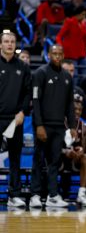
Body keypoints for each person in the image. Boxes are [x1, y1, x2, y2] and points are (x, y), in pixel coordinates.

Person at [30, 45, 76, 208]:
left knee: (55, 162)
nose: (57, 56)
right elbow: (35, 101)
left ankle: (53, 195)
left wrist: (72, 126)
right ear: (48, 55)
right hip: (43, 126)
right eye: (54, 54)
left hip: (59, 127)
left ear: (63, 55)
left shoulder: (67, 77)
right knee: (38, 160)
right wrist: (39, 125)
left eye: (59, 54)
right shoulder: (40, 73)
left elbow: (70, 104)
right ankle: (35, 194)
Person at [0, 32, 31, 208]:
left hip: (15, 119)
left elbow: (28, 93)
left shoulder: (23, 67)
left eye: (12, 42)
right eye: (6, 42)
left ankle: (14, 195)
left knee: (15, 158)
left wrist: (22, 112)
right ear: (0, 45)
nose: (9, 44)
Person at [60, 100, 86, 206]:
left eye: (80, 110)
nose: (78, 112)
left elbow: (84, 147)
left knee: (85, 157)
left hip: (75, 158)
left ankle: (82, 194)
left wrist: (81, 150)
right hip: (60, 156)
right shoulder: (60, 123)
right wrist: (65, 151)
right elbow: (53, 147)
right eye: (75, 109)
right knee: (53, 156)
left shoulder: (83, 126)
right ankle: (52, 194)